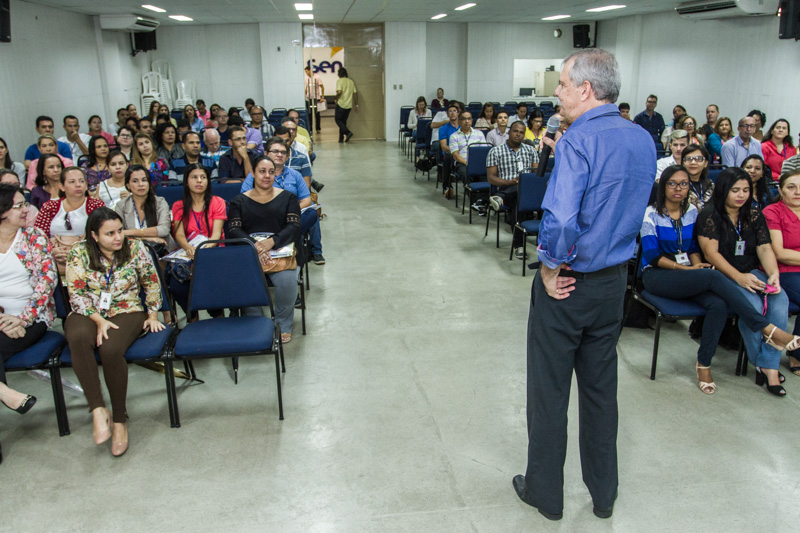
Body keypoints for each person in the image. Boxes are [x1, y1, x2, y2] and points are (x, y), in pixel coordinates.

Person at [513, 49, 655, 521]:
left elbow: (560, 218)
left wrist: (550, 267)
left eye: (562, 84)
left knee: (549, 391)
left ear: (586, 90)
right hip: (614, 284)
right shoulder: (641, 138)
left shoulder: (576, 140)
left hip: (569, 284)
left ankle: (545, 494)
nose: (556, 92)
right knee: (600, 391)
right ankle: (603, 494)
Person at [640, 166, 799, 394]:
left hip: (690, 274)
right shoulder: (651, 213)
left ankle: (703, 364)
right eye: (672, 183)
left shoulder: (692, 212)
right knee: (713, 275)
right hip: (658, 275)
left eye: (684, 184)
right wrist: (688, 270)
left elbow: (694, 247)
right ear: (662, 186)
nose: (678, 188)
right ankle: (767, 329)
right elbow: (651, 255)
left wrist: (695, 265)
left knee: (718, 305)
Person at [64, 207, 165, 456]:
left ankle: (119, 420)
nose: (118, 237)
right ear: (94, 236)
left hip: (127, 309)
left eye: (120, 230)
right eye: (110, 233)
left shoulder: (135, 248)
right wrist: (98, 320)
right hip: (88, 311)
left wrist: (152, 314)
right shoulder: (78, 252)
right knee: (77, 337)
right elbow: (76, 294)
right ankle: (98, 408)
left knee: (110, 348)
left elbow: (151, 282)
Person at [697, 167, 789, 396]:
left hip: (752, 271)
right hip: (724, 275)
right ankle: (768, 367)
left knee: (779, 300)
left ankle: (765, 365)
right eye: (735, 190)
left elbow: (764, 246)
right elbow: (711, 254)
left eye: (746, 190)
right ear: (723, 190)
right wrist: (738, 277)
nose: (741, 195)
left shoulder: (754, 213)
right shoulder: (710, 214)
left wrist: (773, 273)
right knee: (754, 307)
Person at [229, 154, 301, 343]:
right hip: (250, 253)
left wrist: (272, 242)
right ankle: (258, 323)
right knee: (243, 281)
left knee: (287, 280)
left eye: (271, 172)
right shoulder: (239, 200)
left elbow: (293, 227)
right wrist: (256, 247)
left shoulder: (288, 198)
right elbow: (234, 229)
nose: (267, 176)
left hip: (279, 251)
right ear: (252, 173)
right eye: (262, 171)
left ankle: (282, 324)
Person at [0, 183, 56, 416]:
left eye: (25, 204)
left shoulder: (34, 237)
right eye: (19, 206)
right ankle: (6, 393)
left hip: (33, 318)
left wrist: (21, 319)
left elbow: (47, 282)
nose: (26, 210)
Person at [243, 138, 325, 265]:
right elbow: (245, 200)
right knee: (294, 231)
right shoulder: (254, 175)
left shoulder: (295, 175)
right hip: (263, 218)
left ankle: (280, 239)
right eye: (275, 151)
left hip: (291, 216)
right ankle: (288, 242)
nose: (279, 155)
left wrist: (287, 211)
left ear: (287, 157)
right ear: (266, 153)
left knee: (312, 214)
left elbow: (306, 199)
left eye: (283, 152)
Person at [170, 164, 226, 319]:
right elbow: (179, 235)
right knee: (177, 286)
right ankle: (192, 318)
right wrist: (188, 248)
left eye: (203, 177)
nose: (199, 181)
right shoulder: (178, 206)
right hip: (189, 251)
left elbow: (216, 235)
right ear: (186, 181)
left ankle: (217, 315)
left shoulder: (217, 202)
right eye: (194, 177)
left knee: (209, 280)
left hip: (212, 250)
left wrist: (202, 250)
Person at [763, 169, 800, 376]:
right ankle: (797, 353)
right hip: (783, 271)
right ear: (781, 189)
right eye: (791, 187)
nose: (797, 192)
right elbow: (780, 252)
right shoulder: (772, 212)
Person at [34, 167, 105, 273]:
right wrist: (53, 250)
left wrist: (79, 251)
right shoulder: (50, 206)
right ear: (62, 186)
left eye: (81, 181)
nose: (78, 185)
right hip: (55, 258)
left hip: (87, 255)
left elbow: (103, 234)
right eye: (72, 182)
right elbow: (38, 235)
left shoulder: (96, 205)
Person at [486, 121, 538, 258]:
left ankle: (500, 198)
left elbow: (537, 173)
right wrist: (510, 182)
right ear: (509, 132)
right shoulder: (495, 151)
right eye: (515, 131)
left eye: (521, 132)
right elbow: (491, 178)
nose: (518, 135)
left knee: (522, 188)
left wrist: (526, 180)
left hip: (529, 190)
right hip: (507, 187)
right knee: (519, 200)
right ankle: (519, 245)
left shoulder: (530, 150)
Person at [115, 164, 174, 251]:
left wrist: (128, 232)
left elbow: (164, 230)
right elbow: (118, 234)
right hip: (132, 250)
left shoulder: (160, 202)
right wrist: (147, 238)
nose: (141, 184)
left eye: (144, 180)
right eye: (135, 181)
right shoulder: (121, 206)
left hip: (161, 250)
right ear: (128, 185)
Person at [449, 111, 487, 186]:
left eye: (469, 119)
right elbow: (455, 155)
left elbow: (484, 151)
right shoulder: (454, 136)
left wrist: (477, 163)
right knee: (466, 175)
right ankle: (473, 196)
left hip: (478, 163)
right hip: (462, 163)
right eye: (464, 119)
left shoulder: (479, 133)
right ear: (459, 121)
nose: (467, 121)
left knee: (486, 174)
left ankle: (483, 197)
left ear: (472, 120)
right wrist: (467, 163)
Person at [438, 103, 461, 199]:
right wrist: (456, 150)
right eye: (450, 111)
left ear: (458, 113)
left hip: (463, 153)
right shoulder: (443, 129)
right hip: (450, 153)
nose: (452, 113)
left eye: (454, 111)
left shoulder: (463, 127)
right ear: (447, 114)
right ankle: (447, 186)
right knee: (447, 156)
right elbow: (444, 147)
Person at [682, 144, 714, 210]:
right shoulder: (679, 186)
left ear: (706, 163)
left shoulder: (710, 185)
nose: (693, 162)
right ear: (683, 163)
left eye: (698, 159)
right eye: (688, 159)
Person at [335, 67, 358, 143]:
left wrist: (335, 98)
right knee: (343, 122)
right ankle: (341, 138)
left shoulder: (339, 81)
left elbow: (339, 92)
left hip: (341, 105)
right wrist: (356, 105)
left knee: (337, 120)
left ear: (339, 74)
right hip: (349, 106)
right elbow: (355, 93)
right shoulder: (351, 81)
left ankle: (348, 133)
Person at [304, 65, 324, 132]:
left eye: (307, 71)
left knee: (317, 114)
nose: (306, 73)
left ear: (310, 70)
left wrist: (322, 97)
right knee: (309, 114)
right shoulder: (306, 78)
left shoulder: (317, 77)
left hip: (316, 97)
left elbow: (322, 87)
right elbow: (306, 87)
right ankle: (310, 129)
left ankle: (318, 128)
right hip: (309, 98)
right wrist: (305, 95)